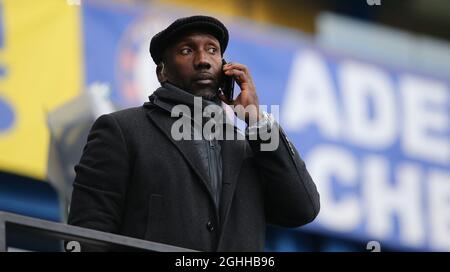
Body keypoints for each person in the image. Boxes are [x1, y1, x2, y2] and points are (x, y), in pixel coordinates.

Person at [68, 15, 320, 252]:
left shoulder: (248, 148)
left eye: (212, 50)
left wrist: (257, 121)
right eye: (186, 51)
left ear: (225, 67)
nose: (203, 60)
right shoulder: (122, 130)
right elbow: (89, 231)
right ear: (162, 72)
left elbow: (303, 209)